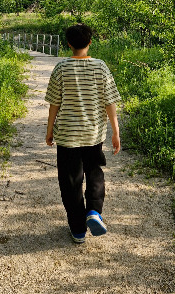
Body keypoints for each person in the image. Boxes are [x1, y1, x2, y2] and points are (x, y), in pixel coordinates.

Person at [45, 23, 121, 244]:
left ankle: (78, 230)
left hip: (67, 135)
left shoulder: (61, 68)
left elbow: (54, 103)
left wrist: (49, 131)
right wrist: (116, 132)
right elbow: (110, 101)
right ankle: (94, 211)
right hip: (93, 134)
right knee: (95, 172)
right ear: (90, 42)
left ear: (68, 44)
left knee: (71, 182)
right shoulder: (100, 67)